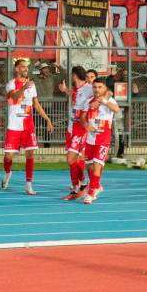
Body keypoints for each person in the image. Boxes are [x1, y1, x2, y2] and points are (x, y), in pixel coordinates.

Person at [2, 59, 54, 195]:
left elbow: (36, 104)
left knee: (30, 154)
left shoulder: (32, 85)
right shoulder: (11, 84)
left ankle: (28, 184)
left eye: (27, 67)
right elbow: (14, 97)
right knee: (8, 157)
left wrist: (47, 119)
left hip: (28, 126)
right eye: (23, 67)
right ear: (16, 69)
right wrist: (23, 88)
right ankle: (8, 173)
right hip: (14, 126)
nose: (26, 69)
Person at [82, 78, 120, 204]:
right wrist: (86, 125)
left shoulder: (109, 99)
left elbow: (116, 109)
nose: (97, 89)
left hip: (103, 138)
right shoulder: (88, 100)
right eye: (95, 87)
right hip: (90, 138)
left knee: (97, 165)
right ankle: (97, 185)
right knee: (89, 165)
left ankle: (91, 192)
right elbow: (82, 117)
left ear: (104, 88)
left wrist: (103, 100)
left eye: (99, 87)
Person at [62, 65, 93, 201]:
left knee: (71, 159)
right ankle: (76, 187)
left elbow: (104, 94)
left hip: (80, 129)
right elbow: (75, 95)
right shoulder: (77, 89)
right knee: (72, 161)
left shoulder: (89, 88)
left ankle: (84, 183)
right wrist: (65, 90)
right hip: (71, 127)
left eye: (72, 74)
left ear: (74, 75)